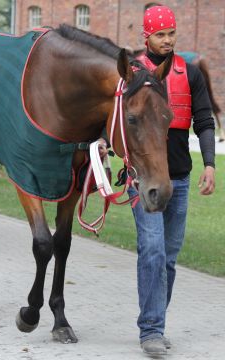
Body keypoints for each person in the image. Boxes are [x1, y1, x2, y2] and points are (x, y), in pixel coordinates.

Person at [127, 4, 215, 356]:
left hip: (177, 180)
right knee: (152, 249)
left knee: (168, 258)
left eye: (171, 34)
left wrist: (209, 164)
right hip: (143, 179)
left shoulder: (190, 74)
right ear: (146, 36)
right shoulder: (131, 73)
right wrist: (103, 144)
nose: (166, 40)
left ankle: (155, 322)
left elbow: (205, 120)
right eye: (159, 34)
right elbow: (115, 118)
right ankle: (151, 330)